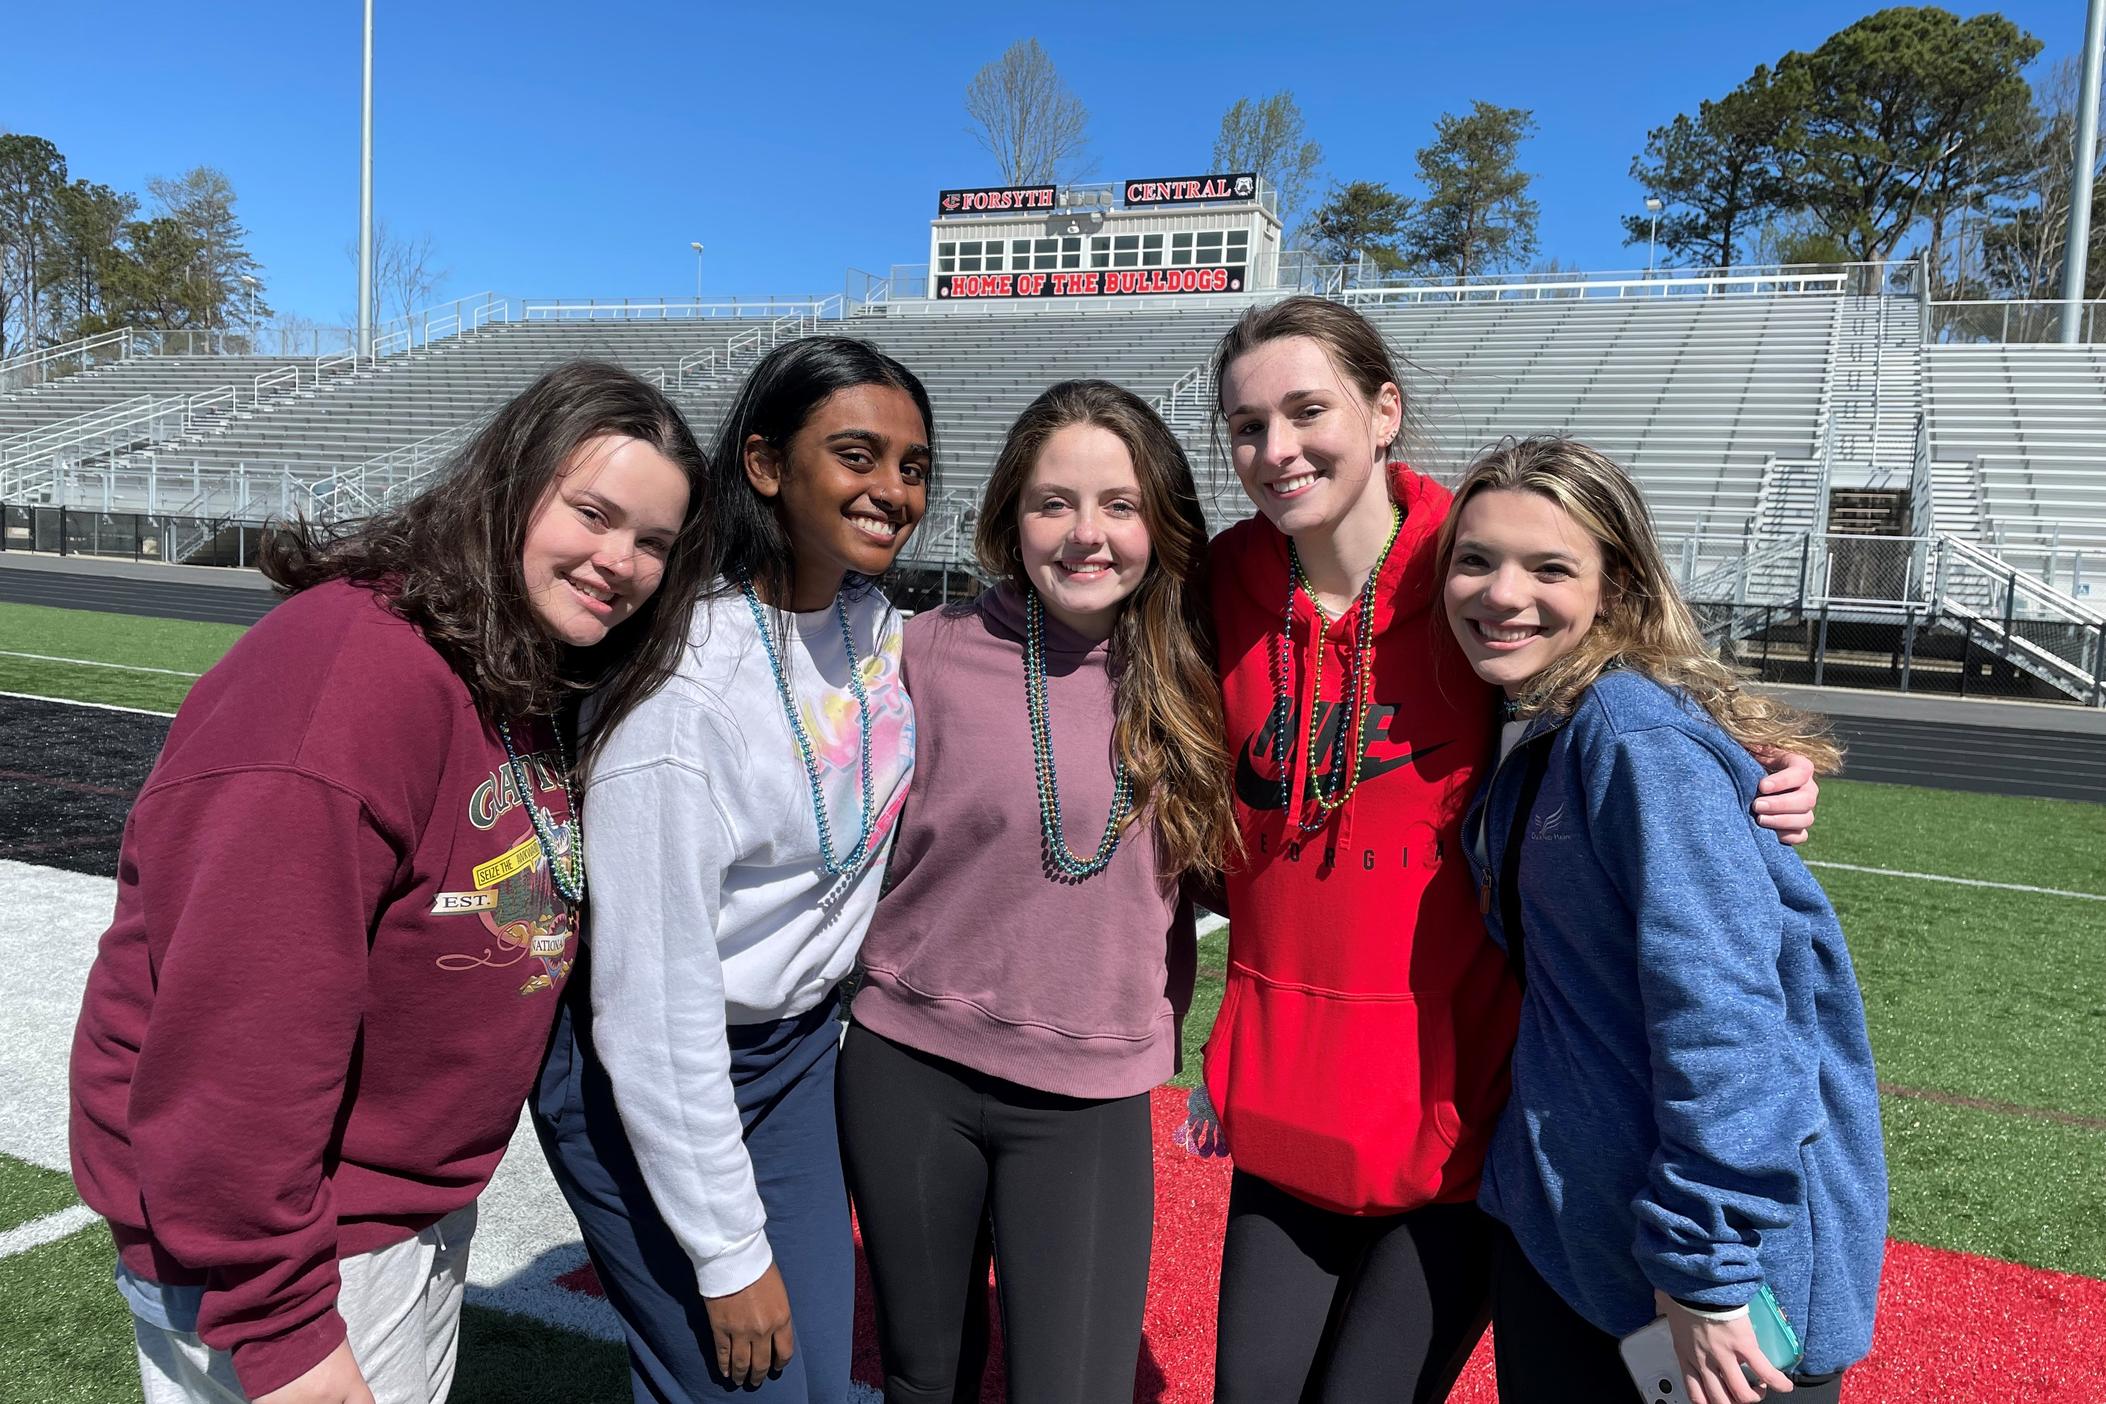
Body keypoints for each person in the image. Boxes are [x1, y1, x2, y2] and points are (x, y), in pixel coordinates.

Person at [1189, 296, 1825, 1402]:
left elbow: (1624, 670)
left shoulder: (1471, 558)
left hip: (1457, 1113)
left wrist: (1754, 764)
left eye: (1307, 411)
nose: (1277, 450)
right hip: (1286, 1099)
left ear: (1385, 411)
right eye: (1248, 426)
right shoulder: (1223, 579)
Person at [68, 361, 708, 1404]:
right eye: (593, 514)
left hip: (382, 1215)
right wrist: (283, 1330)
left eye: (652, 543)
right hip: (297, 1246)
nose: (620, 561)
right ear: (510, 484)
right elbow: (241, 1033)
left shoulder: (506, 659)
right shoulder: (343, 681)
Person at [1443, 436, 1885, 1404]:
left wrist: (1704, 1265)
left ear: (1616, 584)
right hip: (1578, 1246)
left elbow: (1728, 1016)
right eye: (1474, 560)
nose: (1501, 593)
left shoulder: (1632, 737)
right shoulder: (1546, 711)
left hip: (1701, 1281)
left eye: (1549, 566)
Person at [531, 337, 929, 1403]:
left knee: (817, 1380)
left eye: (913, 465)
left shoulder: (874, 624)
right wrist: (723, 1249)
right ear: (763, 462)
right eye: (856, 454)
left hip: (794, 1059)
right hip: (648, 1067)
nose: (892, 490)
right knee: (742, 1377)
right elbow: (652, 1013)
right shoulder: (683, 696)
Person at [838, 380, 1235, 1404]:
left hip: (1088, 1097)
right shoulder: (918, 652)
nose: (1085, 535)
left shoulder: (1202, 676)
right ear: (1011, 515)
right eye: (1054, 502)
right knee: (926, 1378)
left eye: (1120, 504)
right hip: (908, 1068)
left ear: (1163, 521)